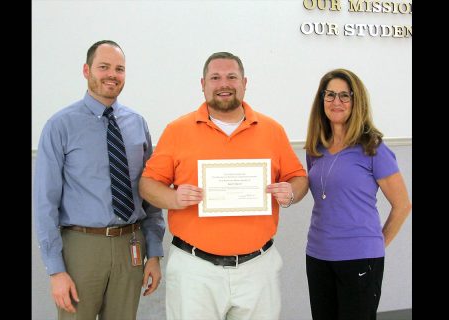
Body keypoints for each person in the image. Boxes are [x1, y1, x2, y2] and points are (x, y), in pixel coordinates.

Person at [139, 51, 309, 320]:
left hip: (258, 268)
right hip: (194, 270)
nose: (224, 84)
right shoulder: (177, 130)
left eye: (231, 76)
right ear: (203, 84)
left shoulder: (272, 130)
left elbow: (299, 178)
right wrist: (173, 199)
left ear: (244, 82)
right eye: (215, 77)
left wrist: (290, 193)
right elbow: (148, 184)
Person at [33, 40, 165, 320]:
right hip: (82, 248)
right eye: (103, 67)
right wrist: (56, 270)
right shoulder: (60, 125)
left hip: (131, 244)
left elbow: (150, 193)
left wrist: (153, 253)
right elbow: (45, 203)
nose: (112, 75)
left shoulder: (137, 124)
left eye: (119, 69)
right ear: (86, 70)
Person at [304, 68, 412, 320]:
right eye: (329, 95)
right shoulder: (315, 148)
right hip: (318, 256)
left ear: (356, 101)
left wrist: (376, 244)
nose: (336, 102)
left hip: (360, 258)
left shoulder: (373, 147)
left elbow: (403, 205)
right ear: (322, 101)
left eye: (345, 95)